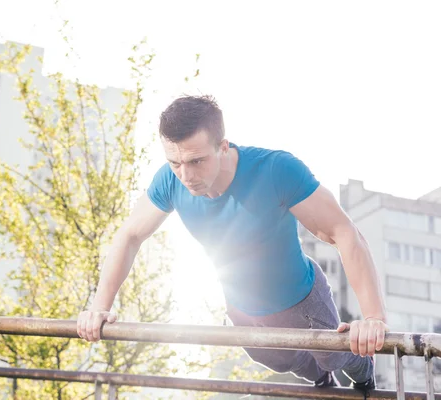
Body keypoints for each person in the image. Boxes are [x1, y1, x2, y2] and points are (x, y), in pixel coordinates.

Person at [77, 95, 388, 396]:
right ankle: (324, 380)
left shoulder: (275, 170)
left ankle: (363, 371)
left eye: (196, 161)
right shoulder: (169, 181)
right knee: (279, 360)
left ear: (223, 147)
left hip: (301, 299)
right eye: (175, 163)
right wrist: (99, 308)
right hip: (243, 309)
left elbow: (344, 233)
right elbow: (130, 235)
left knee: (332, 355)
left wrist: (373, 318)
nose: (186, 175)